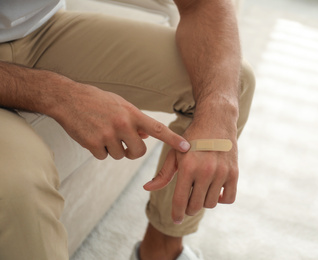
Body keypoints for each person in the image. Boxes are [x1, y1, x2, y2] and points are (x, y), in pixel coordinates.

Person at [0, 0, 255, 259]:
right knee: (17, 185)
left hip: (40, 30)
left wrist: (220, 110)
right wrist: (58, 95)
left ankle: (160, 252)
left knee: (231, 83)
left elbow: (202, 5)